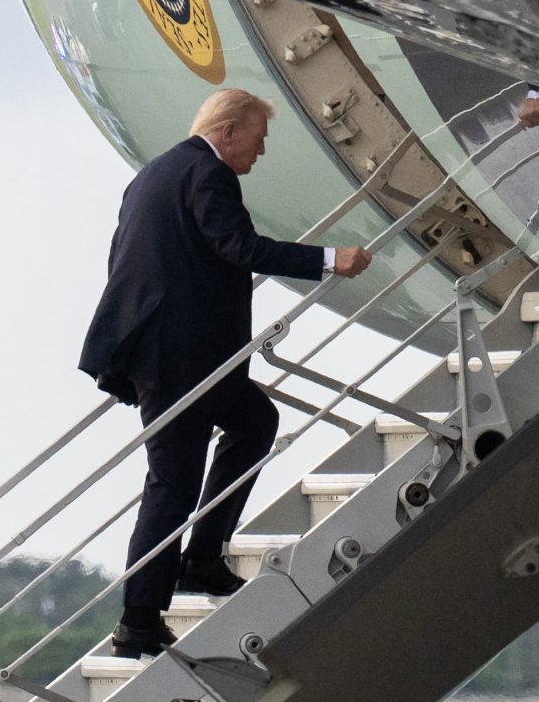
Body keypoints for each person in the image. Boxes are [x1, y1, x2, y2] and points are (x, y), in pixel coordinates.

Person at [78, 89, 372, 658]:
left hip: (171, 352)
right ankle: (139, 618)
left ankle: (204, 558)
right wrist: (328, 260)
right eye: (258, 140)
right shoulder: (208, 174)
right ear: (230, 130)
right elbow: (237, 246)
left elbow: (128, 258)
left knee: (255, 421)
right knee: (173, 483)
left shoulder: (153, 175)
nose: (260, 153)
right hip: (181, 359)